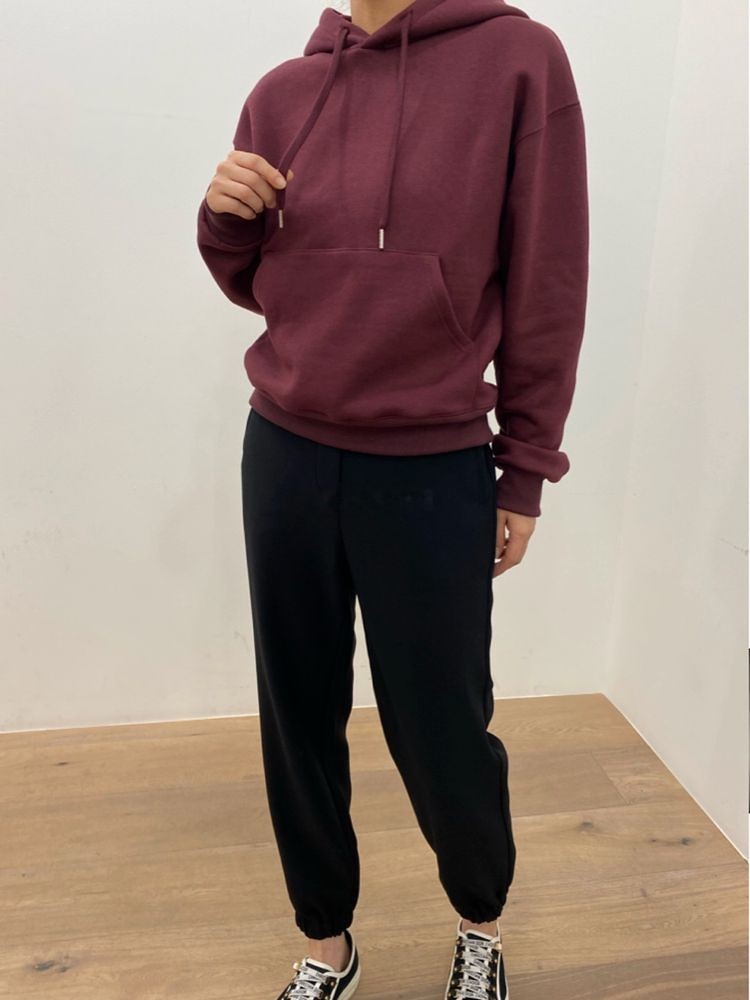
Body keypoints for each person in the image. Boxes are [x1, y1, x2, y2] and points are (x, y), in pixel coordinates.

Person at [196, 0, 589, 996]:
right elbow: (262, 280)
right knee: (297, 709)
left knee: (442, 719)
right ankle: (327, 941)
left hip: (431, 462)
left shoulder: (520, 62)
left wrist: (525, 465)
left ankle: (480, 924)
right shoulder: (286, 91)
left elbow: (548, 280)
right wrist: (223, 222)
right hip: (284, 451)